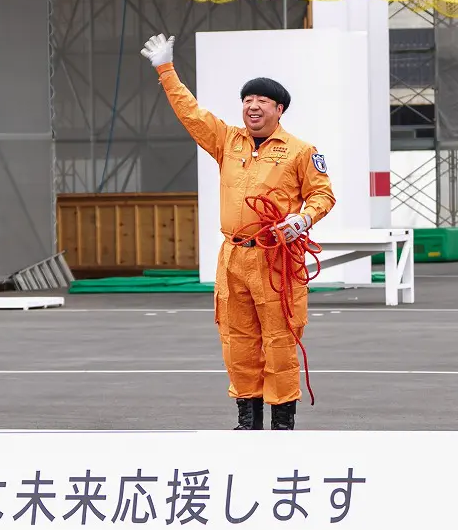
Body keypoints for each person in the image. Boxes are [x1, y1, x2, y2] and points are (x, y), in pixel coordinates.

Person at [140, 33, 336, 431]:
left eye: (262, 100)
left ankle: (282, 422)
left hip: (275, 258)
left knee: (279, 339)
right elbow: (191, 114)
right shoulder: (227, 141)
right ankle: (248, 421)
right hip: (233, 257)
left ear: (279, 109)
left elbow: (322, 194)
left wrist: (302, 219)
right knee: (238, 340)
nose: (253, 106)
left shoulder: (300, 151)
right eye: (247, 100)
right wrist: (166, 70)